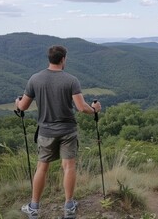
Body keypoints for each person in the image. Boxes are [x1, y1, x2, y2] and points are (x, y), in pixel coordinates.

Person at [15, 45, 101, 219]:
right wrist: (95, 110)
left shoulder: (35, 79)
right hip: (68, 130)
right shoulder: (71, 80)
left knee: (42, 167)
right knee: (69, 166)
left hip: (45, 131)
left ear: (49, 58)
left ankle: (34, 207)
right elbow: (81, 108)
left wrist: (17, 103)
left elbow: (23, 106)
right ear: (63, 59)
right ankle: (69, 207)